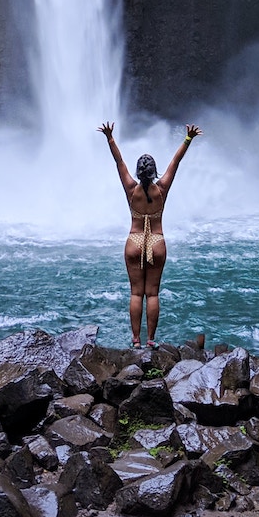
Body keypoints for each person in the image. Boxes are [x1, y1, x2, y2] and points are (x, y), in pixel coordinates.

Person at [98, 120, 201, 348]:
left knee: (136, 294)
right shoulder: (162, 189)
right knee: (152, 294)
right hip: (156, 240)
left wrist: (110, 137)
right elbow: (176, 162)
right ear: (154, 171)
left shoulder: (130, 188)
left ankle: (135, 341)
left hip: (134, 240)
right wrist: (188, 138)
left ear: (138, 171)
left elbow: (119, 161)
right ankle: (151, 340)